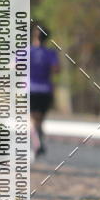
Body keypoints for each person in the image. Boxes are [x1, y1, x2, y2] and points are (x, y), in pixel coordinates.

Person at [30, 25, 59, 156]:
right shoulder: (50, 53)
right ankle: (39, 142)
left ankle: (37, 144)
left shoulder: (27, 51)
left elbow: (13, 66)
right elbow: (56, 69)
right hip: (46, 90)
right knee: (39, 120)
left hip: (30, 89)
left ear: (34, 36)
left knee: (32, 120)